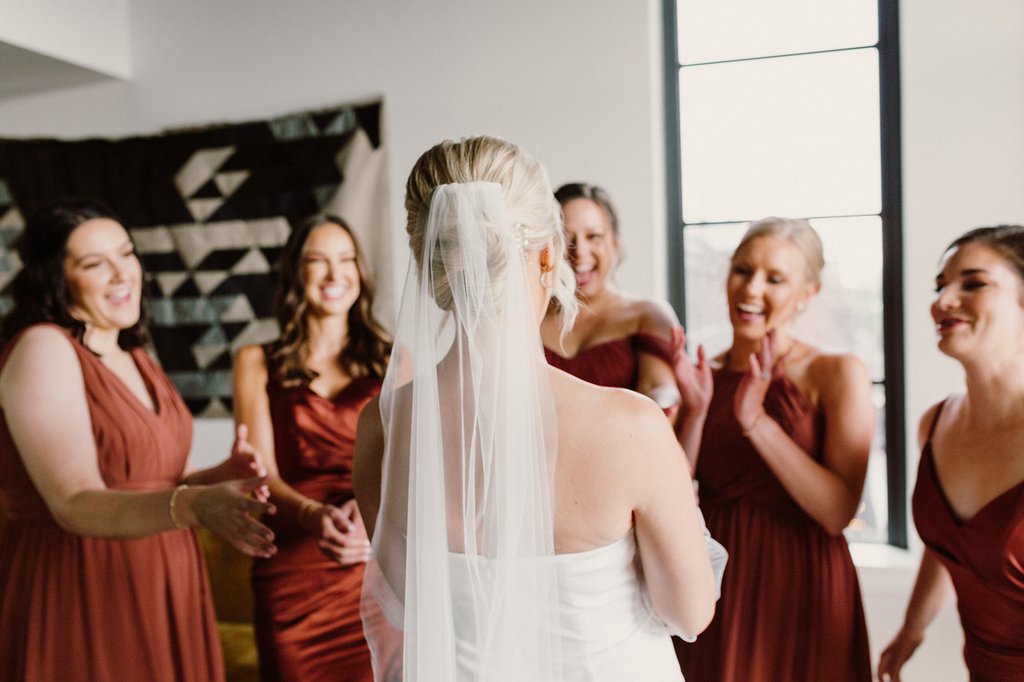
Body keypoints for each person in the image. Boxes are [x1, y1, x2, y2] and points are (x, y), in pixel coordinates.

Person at [353, 136, 716, 681]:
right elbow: (688, 613)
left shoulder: (383, 427)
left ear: (430, 266)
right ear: (550, 255)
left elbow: (408, 597)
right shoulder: (632, 427)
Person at [0, 198, 276, 682]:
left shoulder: (136, 353)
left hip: (164, 572)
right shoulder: (42, 347)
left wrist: (217, 477)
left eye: (126, 254)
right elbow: (71, 501)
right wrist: (192, 506)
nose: (121, 273)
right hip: (82, 581)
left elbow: (148, 480)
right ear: (54, 276)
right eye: (94, 264)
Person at [675, 217, 875, 681]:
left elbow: (836, 511)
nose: (751, 288)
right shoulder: (701, 375)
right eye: (742, 270)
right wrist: (698, 412)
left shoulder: (838, 373)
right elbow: (673, 497)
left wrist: (756, 422)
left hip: (803, 582)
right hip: (717, 583)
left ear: (808, 292)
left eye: (775, 278)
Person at [233, 213, 391, 681]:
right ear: (294, 274)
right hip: (292, 573)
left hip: (374, 563)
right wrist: (312, 516)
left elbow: (409, 465)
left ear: (360, 272)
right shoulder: (256, 361)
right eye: (317, 261)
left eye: (345, 260)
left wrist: (368, 520)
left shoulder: (392, 359)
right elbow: (259, 472)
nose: (333, 274)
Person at [877, 226, 1024, 682]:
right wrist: (911, 631)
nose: (943, 301)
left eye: (973, 283)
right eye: (940, 286)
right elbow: (947, 546)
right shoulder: (936, 424)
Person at [539, 182, 709, 458]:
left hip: (624, 478)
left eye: (594, 236)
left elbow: (660, 401)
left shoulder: (647, 315)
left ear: (615, 243)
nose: (578, 251)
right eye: (565, 237)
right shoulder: (527, 319)